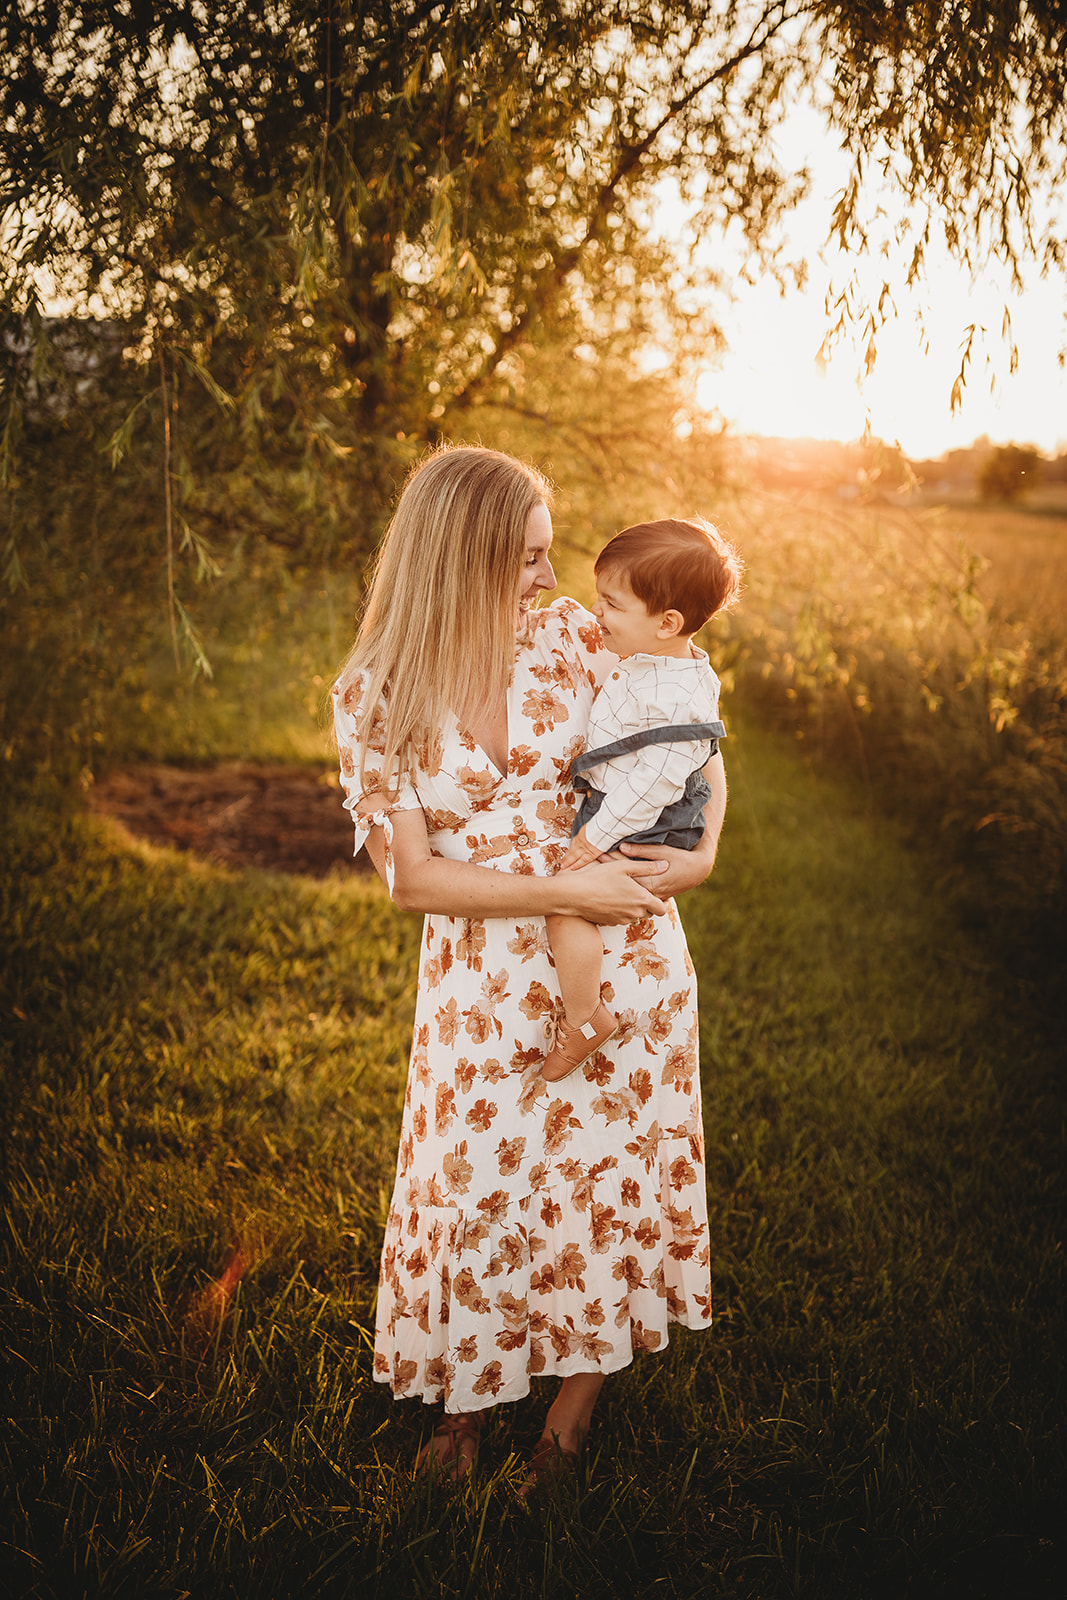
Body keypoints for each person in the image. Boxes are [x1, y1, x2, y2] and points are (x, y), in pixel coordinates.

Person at [332, 444, 728, 1492]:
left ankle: (565, 1423)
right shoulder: (376, 691)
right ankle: (463, 1413)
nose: (548, 582)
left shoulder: (572, 641)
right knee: (477, 1187)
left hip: (621, 954)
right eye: (524, 560)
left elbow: (693, 729)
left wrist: (705, 850)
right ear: (455, 560)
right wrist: (565, 894)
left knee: (602, 1183)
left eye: (549, 557)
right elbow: (413, 880)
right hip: (482, 984)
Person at [541, 519, 739, 1082]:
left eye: (611, 603)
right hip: (630, 803)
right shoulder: (660, 665)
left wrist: (591, 839)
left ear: (666, 623)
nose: (595, 612)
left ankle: (584, 1018)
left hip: (637, 817)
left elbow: (652, 785)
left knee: (568, 902)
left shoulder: (674, 691)